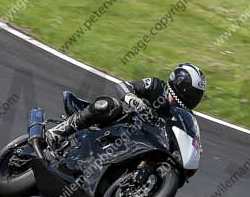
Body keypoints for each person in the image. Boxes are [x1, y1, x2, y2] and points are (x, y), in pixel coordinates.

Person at [47, 63, 206, 147]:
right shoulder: (156, 86)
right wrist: (131, 98)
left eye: (195, 95)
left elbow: (191, 142)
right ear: (179, 83)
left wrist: (195, 147)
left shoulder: (186, 118)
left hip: (145, 143)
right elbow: (123, 86)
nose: (192, 97)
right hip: (121, 124)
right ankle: (59, 131)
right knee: (109, 105)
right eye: (191, 92)